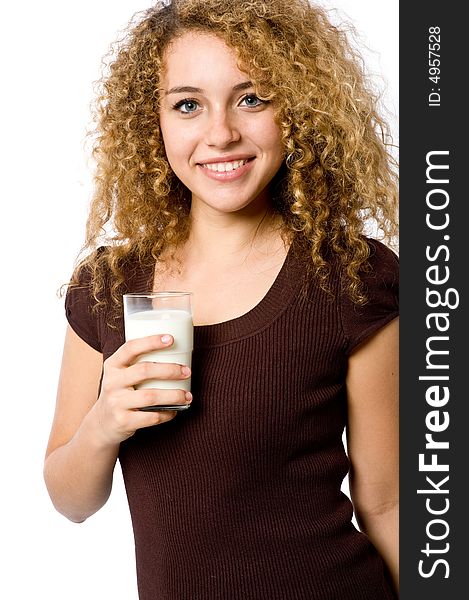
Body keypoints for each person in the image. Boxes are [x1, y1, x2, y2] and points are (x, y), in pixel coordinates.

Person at [43, 0, 399, 598]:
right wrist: (104, 423)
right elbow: (70, 500)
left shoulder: (352, 277)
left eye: (252, 98)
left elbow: (387, 503)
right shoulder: (107, 287)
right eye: (188, 105)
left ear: (299, 110)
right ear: (150, 124)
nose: (221, 133)